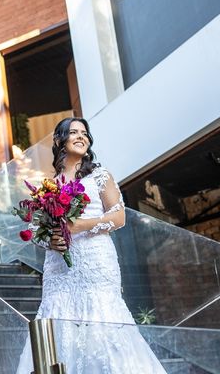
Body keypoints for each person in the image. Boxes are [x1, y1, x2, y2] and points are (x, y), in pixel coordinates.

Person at [15, 117, 166, 373]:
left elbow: (119, 217)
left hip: (96, 262)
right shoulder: (48, 187)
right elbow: (37, 230)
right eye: (73, 132)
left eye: (84, 133)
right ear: (58, 140)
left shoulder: (100, 176)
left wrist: (81, 225)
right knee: (58, 320)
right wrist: (51, 239)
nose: (81, 136)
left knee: (102, 315)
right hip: (59, 271)